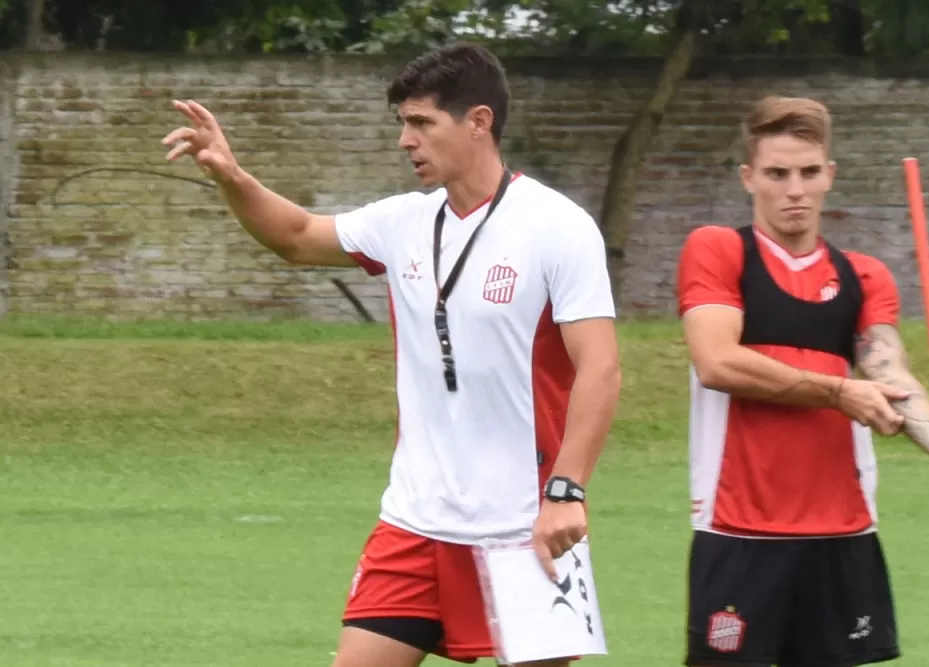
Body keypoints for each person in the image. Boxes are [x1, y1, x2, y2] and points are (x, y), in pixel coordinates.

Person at [161, 42, 622, 667]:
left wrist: (567, 491)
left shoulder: (558, 227)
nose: (406, 140)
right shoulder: (402, 221)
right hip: (414, 522)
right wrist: (232, 176)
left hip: (525, 525)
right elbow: (297, 238)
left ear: (479, 122)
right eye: (403, 123)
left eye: (422, 123)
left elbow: (601, 366)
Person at [674, 95, 929, 667]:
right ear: (749, 177)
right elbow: (718, 362)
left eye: (808, 172)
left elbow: (888, 373)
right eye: (777, 174)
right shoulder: (719, 250)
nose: (794, 189)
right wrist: (835, 391)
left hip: (843, 532)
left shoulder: (862, 275)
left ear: (829, 176)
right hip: (740, 529)